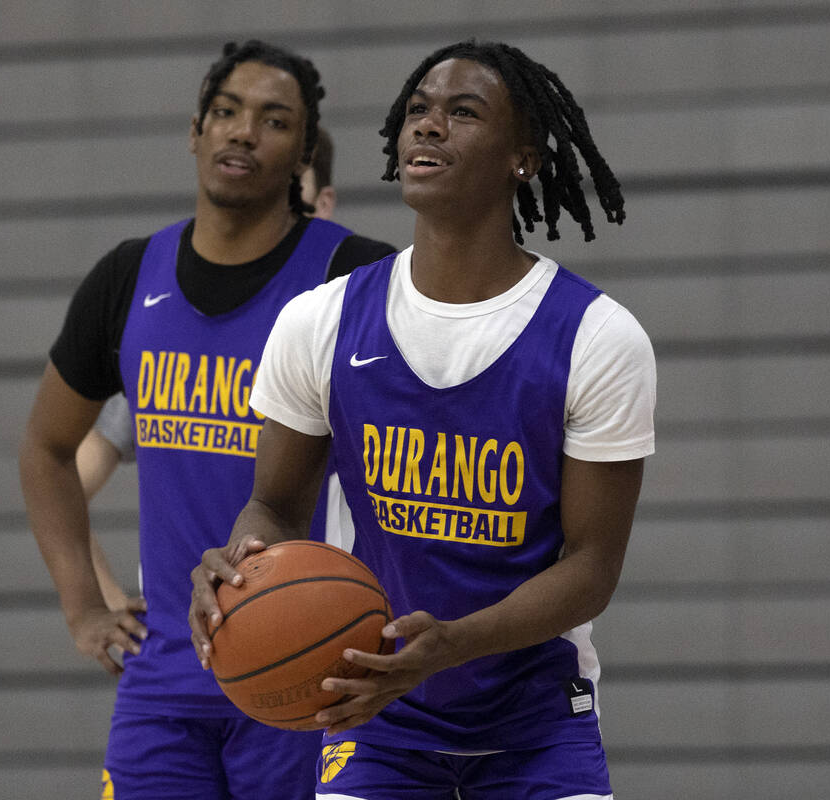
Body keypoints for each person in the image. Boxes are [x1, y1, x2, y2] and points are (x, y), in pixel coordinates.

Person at [189, 39, 656, 800]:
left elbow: (590, 569)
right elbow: (275, 506)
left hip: (536, 719)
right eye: (417, 111)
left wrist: (449, 646)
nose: (427, 128)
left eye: (462, 113)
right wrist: (243, 568)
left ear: (524, 158)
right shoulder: (321, 323)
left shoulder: (598, 338)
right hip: (375, 711)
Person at [19, 39, 394, 799]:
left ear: (302, 155)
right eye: (225, 112)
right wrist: (84, 608)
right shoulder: (128, 278)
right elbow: (47, 448)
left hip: (312, 668)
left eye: (272, 120)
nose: (242, 131)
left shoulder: (355, 278)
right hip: (165, 683)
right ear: (195, 130)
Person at [74, 123, 346, 611]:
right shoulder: (170, 338)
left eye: (289, 189)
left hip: (306, 620)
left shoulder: (347, 334)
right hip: (178, 643)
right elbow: (68, 479)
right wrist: (100, 604)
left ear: (322, 204)